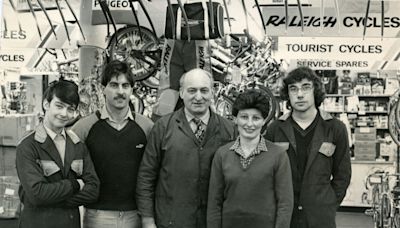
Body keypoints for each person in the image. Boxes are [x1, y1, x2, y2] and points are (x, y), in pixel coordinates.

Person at [136, 68, 237, 228]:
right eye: (192, 90)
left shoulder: (229, 130)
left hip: (213, 222)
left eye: (204, 90)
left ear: (212, 92)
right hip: (171, 221)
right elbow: (146, 176)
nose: (198, 97)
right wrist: (148, 220)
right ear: (181, 93)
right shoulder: (163, 127)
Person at [265, 66, 351, 228]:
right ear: (287, 94)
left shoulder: (335, 128)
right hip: (284, 216)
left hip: (320, 217)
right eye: (293, 89)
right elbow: (267, 174)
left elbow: (343, 174)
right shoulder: (275, 129)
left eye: (306, 87)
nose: (299, 94)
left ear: (315, 91)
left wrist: (329, 203)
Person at [71, 60, 154, 228]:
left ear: (132, 90)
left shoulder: (147, 127)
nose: (120, 91)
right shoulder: (84, 128)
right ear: (103, 89)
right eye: (114, 85)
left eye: (125, 86)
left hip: (135, 216)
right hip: (97, 216)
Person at [16, 80, 99, 228]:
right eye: (59, 106)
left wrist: (53, 200)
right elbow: (37, 194)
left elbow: (93, 190)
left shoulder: (78, 145)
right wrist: (74, 184)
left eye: (70, 109)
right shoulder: (28, 146)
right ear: (46, 104)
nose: (64, 114)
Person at [207, 89, 293, 228]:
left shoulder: (278, 155)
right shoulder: (222, 155)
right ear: (235, 119)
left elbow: (285, 204)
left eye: (256, 118)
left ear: (264, 120)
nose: (250, 124)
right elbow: (214, 204)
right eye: (244, 117)